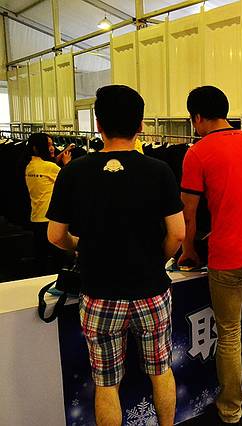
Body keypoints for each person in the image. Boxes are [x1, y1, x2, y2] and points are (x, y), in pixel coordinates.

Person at [46, 85, 185, 426]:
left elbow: (55, 235)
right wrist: (156, 259)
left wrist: (81, 247)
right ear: (141, 125)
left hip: (99, 294)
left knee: (106, 383)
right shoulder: (159, 170)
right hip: (151, 290)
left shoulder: (73, 171)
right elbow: (178, 233)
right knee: (161, 370)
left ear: (98, 125)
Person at [179, 86, 242, 423]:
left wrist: (188, 250)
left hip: (228, 254)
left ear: (197, 117)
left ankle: (231, 408)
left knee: (230, 332)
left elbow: (188, 214)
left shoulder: (197, 153)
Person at [25, 132, 72, 276]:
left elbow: (50, 166)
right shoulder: (49, 167)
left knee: (41, 256)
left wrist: (62, 153)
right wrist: (67, 163)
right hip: (50, 218)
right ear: (37, 148)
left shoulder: (29, 166)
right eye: (48, 145)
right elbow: (70, 179)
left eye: (52, 144)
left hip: (36, 216)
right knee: (59, 258)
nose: (52, 148)